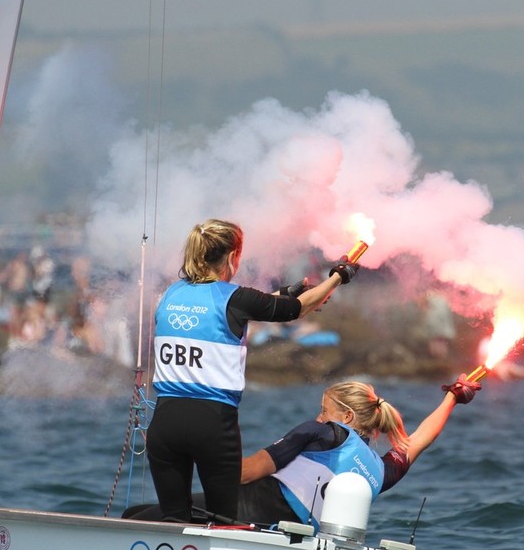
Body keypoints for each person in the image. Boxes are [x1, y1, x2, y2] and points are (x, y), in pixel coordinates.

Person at [146, 218, 359, 522]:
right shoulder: (235, 297)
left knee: (173, 520)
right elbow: (296, 309)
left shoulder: (169, 295)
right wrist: (338, 277)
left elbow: (238, 306)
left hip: (165, 421)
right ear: (232, 257)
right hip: (212, 424)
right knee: (223, 522)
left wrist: (283, 293)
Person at [125, 374, 480, 527]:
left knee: (134, 516)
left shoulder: (321, 431)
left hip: (245, 508)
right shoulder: (381, 471)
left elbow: (246, 473)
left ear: (346, 416)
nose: (319, 415)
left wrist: (180, 449)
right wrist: (452, 397)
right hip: (288, 531)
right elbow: (419, 440)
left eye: (325, 409)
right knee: (148, 510)